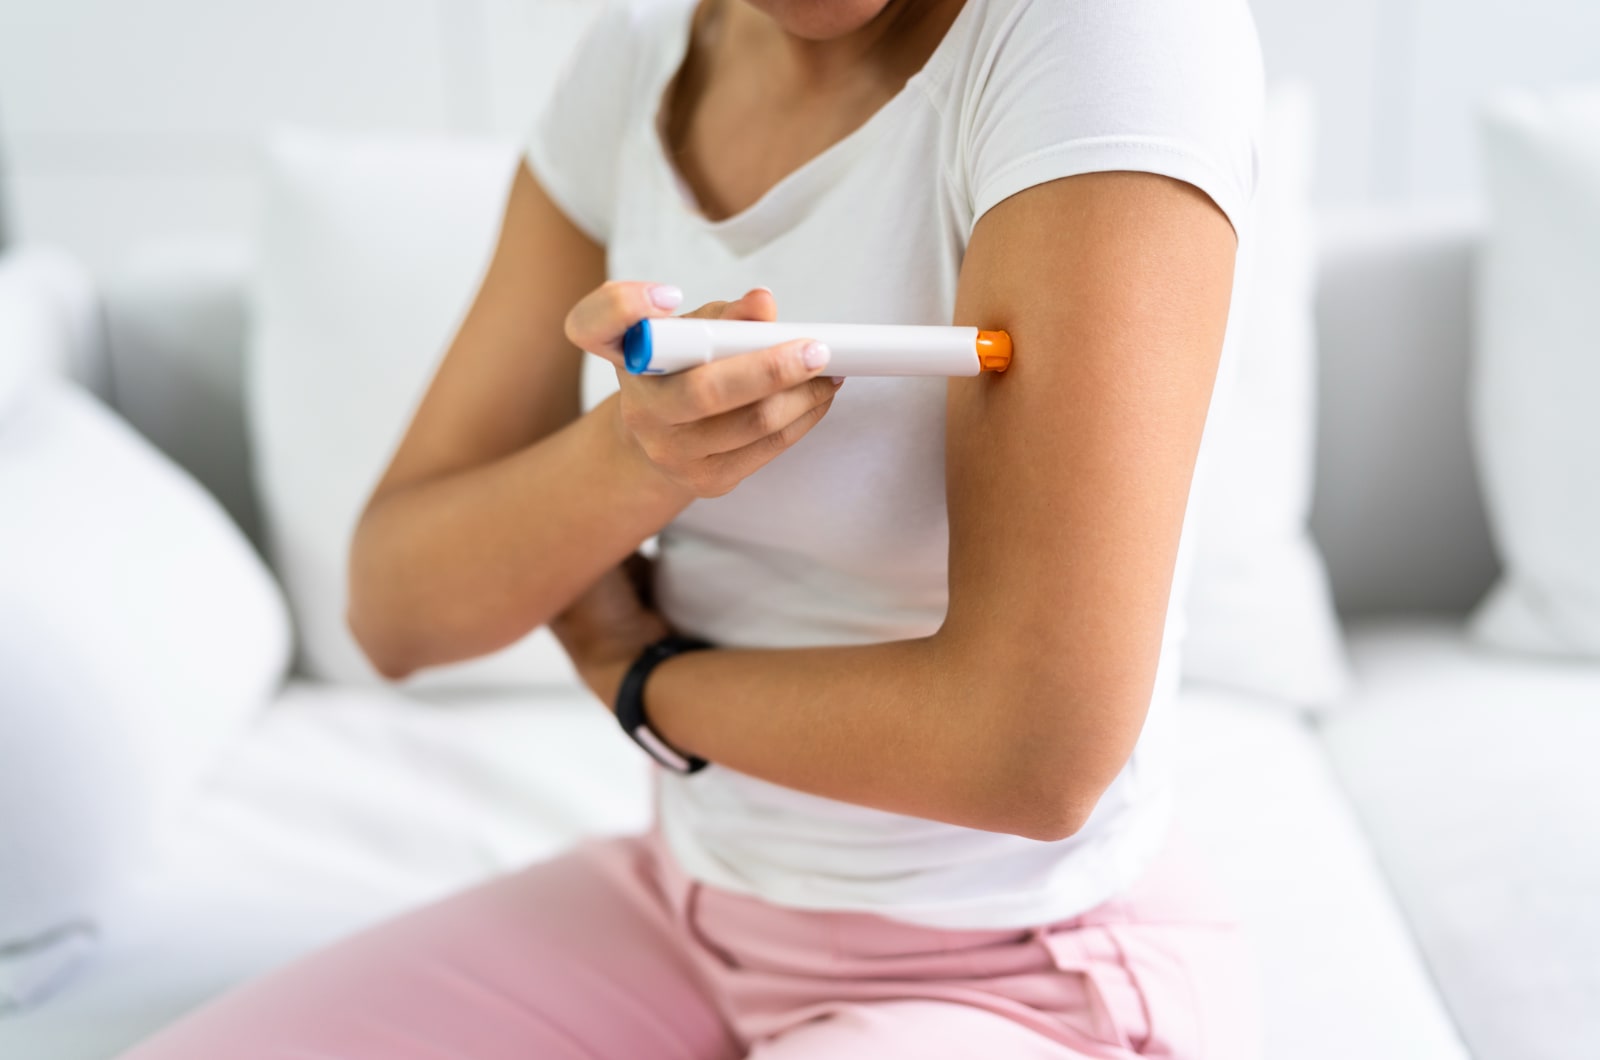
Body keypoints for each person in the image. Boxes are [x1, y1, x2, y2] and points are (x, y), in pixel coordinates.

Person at [124, 0, 1266, 1055]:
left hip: (1017, 964)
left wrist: (644, 680)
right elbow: (395, 609)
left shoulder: (1105, 35)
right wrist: (634, 456)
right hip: (686, 907)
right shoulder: (643, 51)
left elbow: (1034, 753)